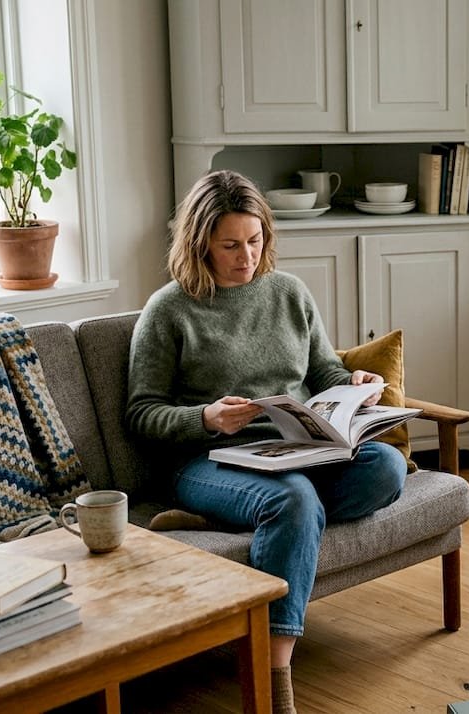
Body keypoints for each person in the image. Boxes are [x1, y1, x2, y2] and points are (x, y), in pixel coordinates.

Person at [126, 170, 407, 713]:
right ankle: (275, 677)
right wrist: (206, 418)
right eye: (230, 245)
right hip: (207, 461)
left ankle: (244, 522)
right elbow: (142, 414)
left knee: (386, 469)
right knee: (293, 499)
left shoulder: (289, 293)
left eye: (254, 241)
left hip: (294, 450)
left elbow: (324, 372)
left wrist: (356, 387)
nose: (246, 256)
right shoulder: (169, 310)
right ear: (199, 242)